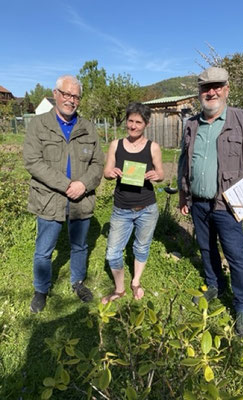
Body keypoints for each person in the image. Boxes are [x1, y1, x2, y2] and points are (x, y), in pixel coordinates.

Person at [178, 67, 243, 337]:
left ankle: (242, 307)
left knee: (237, 256)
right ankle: (214, 284)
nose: (211, 92)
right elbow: (184, 160)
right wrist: (183, 193)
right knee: (205, 248)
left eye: (217, 86)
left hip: (228, 204)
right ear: (200, 92)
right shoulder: (191, 124)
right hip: (199, 203)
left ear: (227, 89)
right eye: (206, 87)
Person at [23, 75, 104, 313]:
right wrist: (67, 184)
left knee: (79, 246)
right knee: (44, 249)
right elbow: (32, 161)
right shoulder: (38, 125)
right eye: (67, 94)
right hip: (49, 199)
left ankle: (77, 282)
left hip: (81, 200)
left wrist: (83, 185)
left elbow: (98, 164)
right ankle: (41, 289)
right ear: (56, 94)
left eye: (76, 96)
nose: (71, 100)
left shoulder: (88, 128)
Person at [101, 102, 164, 304]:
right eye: (130, 121)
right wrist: (110, 173)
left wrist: (157, 175)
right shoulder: (115, 145)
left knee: (141, 247)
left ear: (146, 124)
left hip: (147, 208)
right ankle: (119, 289)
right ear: (126, 121)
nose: (133, 126)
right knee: (112, 252)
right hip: (121, 208)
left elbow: (161, 173)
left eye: (138, 122)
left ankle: (136, 281)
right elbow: (106, 171)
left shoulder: (153, 147)